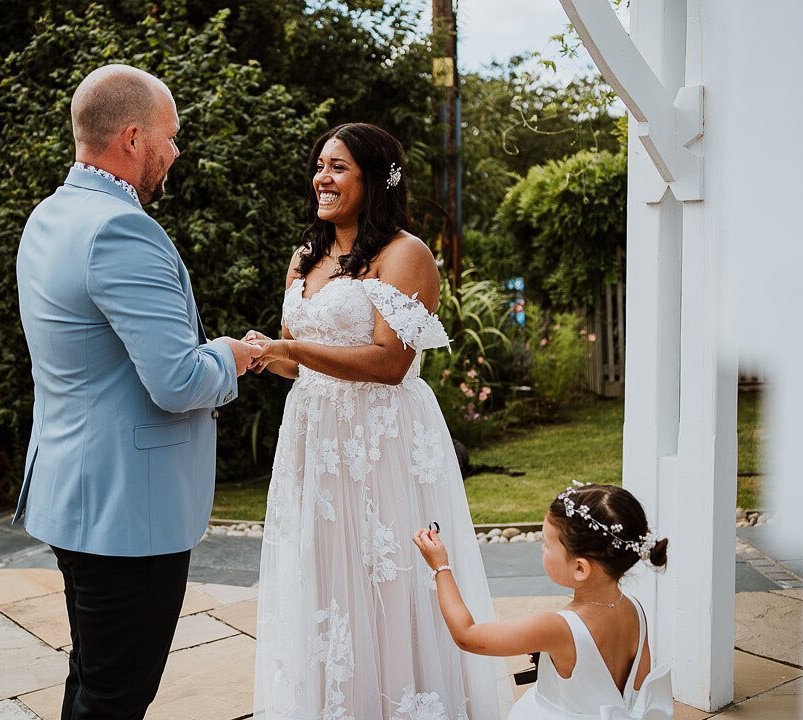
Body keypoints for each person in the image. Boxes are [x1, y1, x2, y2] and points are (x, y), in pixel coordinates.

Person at [12, 64, 261, 719]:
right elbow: (178, 381)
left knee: (94, 678)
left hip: (74, 495)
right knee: (116, 697)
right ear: (132, 138)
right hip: (127, 514)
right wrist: (232, 355)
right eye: (169, 137)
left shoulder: (49, 216)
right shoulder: (121, 229)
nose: (175, 152)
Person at [247, 123, 510, 719]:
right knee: (325, 573)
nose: (322, 178)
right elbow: (296, 359)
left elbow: (392, 362)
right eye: (320, 165)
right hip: (316, 439)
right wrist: (267, 353)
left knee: (387, 574)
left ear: (374, 179)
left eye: (338, 167)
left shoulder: (405, 255)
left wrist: (293, 351)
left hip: (380, 440)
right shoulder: (305, 256)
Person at [413, 482, 675, 720]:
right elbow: (635, 693)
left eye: (546, 545)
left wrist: (440, 567)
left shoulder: (556, 628)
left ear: (580, 568)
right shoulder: (635, 609)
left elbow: (467, 635)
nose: (542, 549)